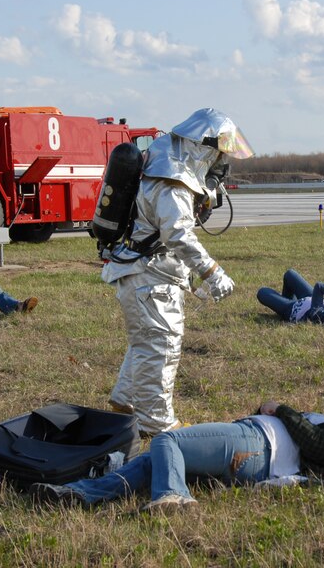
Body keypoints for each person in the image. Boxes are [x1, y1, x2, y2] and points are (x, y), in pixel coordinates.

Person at [100, 108, 254, 436]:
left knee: (146, 339)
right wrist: (212, 272)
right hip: (149, 275)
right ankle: (157, 427)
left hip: (143, 270)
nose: (221, 165)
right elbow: (177, 233)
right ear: (204, 148)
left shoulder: (160, 155)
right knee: (161, 345)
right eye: (219, 156)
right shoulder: (171, 177)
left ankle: (125, 401)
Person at [30, 400, 324, 510]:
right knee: (153, 459)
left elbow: (318, 446)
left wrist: (282, 410)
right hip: (253, 447)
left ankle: (174, 497)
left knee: (165, 442)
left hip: (256, 445)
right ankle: (80, 494)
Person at [257, 268, 324, 326]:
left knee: (262, 292)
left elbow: (320, 286)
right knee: (290, 274)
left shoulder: (321, 315)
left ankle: (283, 303)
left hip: (291, 308)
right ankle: (285, 298)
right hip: (310, 297)